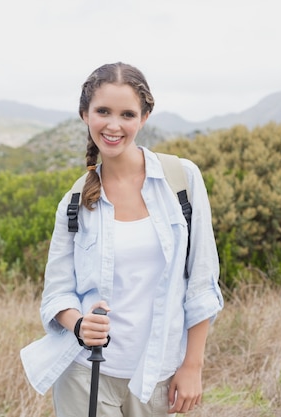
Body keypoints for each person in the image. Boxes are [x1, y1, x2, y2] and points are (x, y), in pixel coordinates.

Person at [20, 63, 224, 416]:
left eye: (127, 114)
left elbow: (202, 283)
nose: (113, 125)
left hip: (157, 375)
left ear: (144, 117)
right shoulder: (74, 202)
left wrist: (192, 366)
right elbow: (56, 294)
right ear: (85, 114)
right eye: (102, 112)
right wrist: (80, 324)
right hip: (84, 373)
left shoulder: (182, 180)